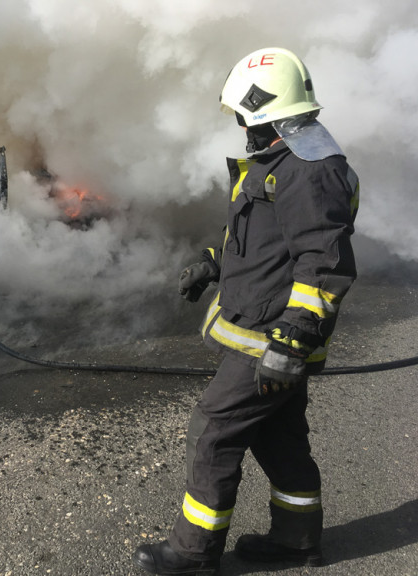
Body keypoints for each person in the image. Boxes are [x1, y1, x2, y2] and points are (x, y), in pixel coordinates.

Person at [132, 47, 360, 575]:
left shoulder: (308, 171)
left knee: (213, 431)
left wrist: (292, 340)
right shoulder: (282, 162)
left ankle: (193, 554)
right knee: (280, 439)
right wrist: (212, 263)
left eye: (243, 116)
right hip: (267, 333)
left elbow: (323, 264)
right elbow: (261, 241)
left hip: (270, 338)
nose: (240, 127)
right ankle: (296, 541)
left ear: (267, 114)